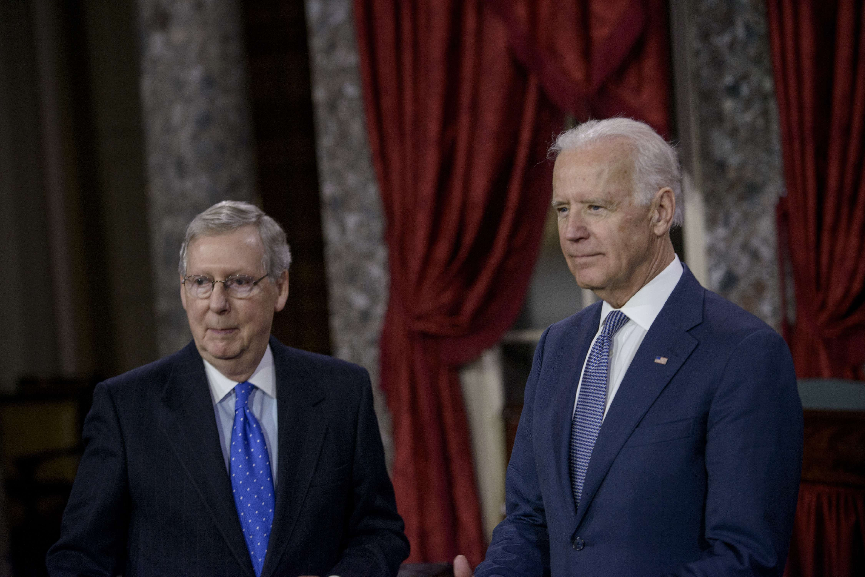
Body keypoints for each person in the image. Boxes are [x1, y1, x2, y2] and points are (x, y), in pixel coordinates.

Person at [455, 118, 803, 576]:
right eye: (562, 209)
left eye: (596, 207)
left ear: (660, 212)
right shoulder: (557, 347)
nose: (572, 231)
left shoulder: (743, 354)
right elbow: (528, 522)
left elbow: (744, 558)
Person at [47, 201, 409, 577]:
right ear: (185, 293)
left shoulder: (342, 393)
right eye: (202, 282)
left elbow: (378, 532)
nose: (217, 304)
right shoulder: (126, 408)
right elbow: (78, 559)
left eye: (239, 282)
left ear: (280, 287)